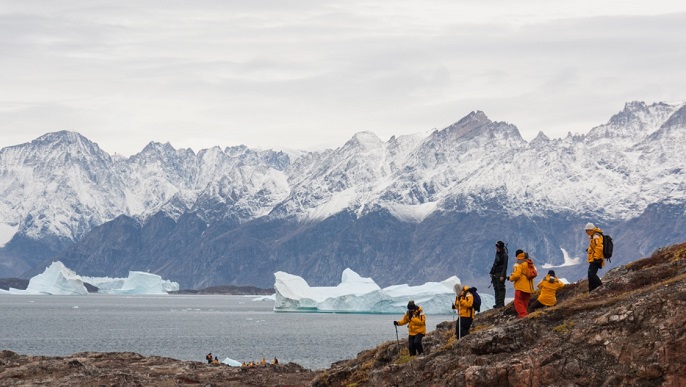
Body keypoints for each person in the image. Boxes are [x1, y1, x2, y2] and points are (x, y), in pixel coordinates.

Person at [508, 250, 534, 318]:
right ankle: (525, 314)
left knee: (518, 302)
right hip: (529, 286)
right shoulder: (528, 262)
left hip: (521, 286)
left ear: (517, 255)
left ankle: (523, 315)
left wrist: (510, 278)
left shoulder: (518, 264)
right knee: (525, 301)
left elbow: (516, 275)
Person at [585, 222, 605, 292]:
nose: (586, 232)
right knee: (590, 274)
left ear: (590, 230)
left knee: (591, 274)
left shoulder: (596, 236)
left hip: (596, 259)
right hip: (594, 258)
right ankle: (592, 290)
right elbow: (594, 246)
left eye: (587, 230)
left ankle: (601, 287)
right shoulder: (593, 236)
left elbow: (599, 247)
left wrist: (596, 257)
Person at [489, 240, 509, 308]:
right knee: (496, 288)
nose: (496, 248)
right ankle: (497, 303)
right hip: (495, 273)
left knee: (501, 288)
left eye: (497, 247)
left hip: (500, 274)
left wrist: (502, 275)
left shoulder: (504, 255)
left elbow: (505, 266)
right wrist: (492, 272)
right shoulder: (497, 253)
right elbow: (495, 263)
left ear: (500, 247)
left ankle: (501, 304)